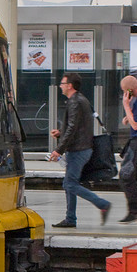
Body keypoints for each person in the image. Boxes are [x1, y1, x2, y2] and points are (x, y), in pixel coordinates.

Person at [49, 73, 112, 228]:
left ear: (70, 85)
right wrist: (61, 133)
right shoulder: (80, 100)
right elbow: (77, 127)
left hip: (78, 150)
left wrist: (59, 150)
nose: (61, 86)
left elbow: (72, 128)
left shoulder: (75, 102)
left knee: (70, 184)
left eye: (63, 83)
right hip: (81, 147)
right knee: (70, 183)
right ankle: (70, 218)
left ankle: (102, 204)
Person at [119, 75, 137, 223]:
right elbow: (136, 118)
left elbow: (136, 124)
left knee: (125, 174)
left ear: (129, 90)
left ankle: (134, 210)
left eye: (125, 91)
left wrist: (126, 105)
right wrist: (128, 115)